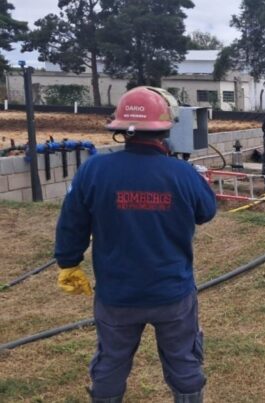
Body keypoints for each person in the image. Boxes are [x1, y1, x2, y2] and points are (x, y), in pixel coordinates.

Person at [54, 86, 217, 403]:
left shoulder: (94, 170)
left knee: (111, 363)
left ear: (120, 129)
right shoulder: (183, 174)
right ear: (166, 126)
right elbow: (206, 212)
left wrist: (68, 262)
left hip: (117, 295)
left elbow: (71, 222)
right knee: (184, 361)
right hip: (172, 294)